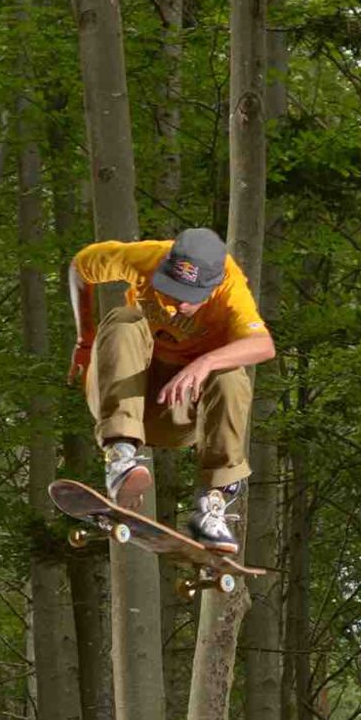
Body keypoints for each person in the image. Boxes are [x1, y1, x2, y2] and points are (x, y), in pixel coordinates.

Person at [67, 226, 275, 554]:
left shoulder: (232, 289)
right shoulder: (147, 257)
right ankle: (120, 461)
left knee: (230, 373)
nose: (177, 306)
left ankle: (212, 505)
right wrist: (84, 338)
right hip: (119, 390)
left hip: (177, 412)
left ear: (214, 286)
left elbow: (263, 345)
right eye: (172, 291)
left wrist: (205, 362)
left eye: (189, 299)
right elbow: (80, 266)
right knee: (125, 319)